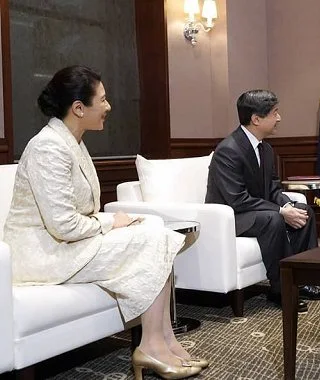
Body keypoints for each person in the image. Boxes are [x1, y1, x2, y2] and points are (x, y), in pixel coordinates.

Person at [3, 66, 207, 380]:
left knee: (155, 229)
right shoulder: (48, 147)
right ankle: (152, 345)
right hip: (43, 255)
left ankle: (165, 340)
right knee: (154, 239)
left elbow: (80, 214)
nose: (108, 106)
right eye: (103, 99)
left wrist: (118, 220)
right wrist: (112, 223)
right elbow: (64, 226)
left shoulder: (73, 142)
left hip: (66, 244)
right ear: (78, 108)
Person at [205, 89, 320, 313]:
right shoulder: (228, 150)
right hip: (230, 217)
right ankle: (280, 291)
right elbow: (237, 199)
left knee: (304, 211)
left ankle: (304, 282)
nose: (279, 118)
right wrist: (280, 212)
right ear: (256, 119)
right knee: (273, 219)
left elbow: (272, 188)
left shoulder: (265, 148)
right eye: (275, 113)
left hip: (254, 211)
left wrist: (287, 205)